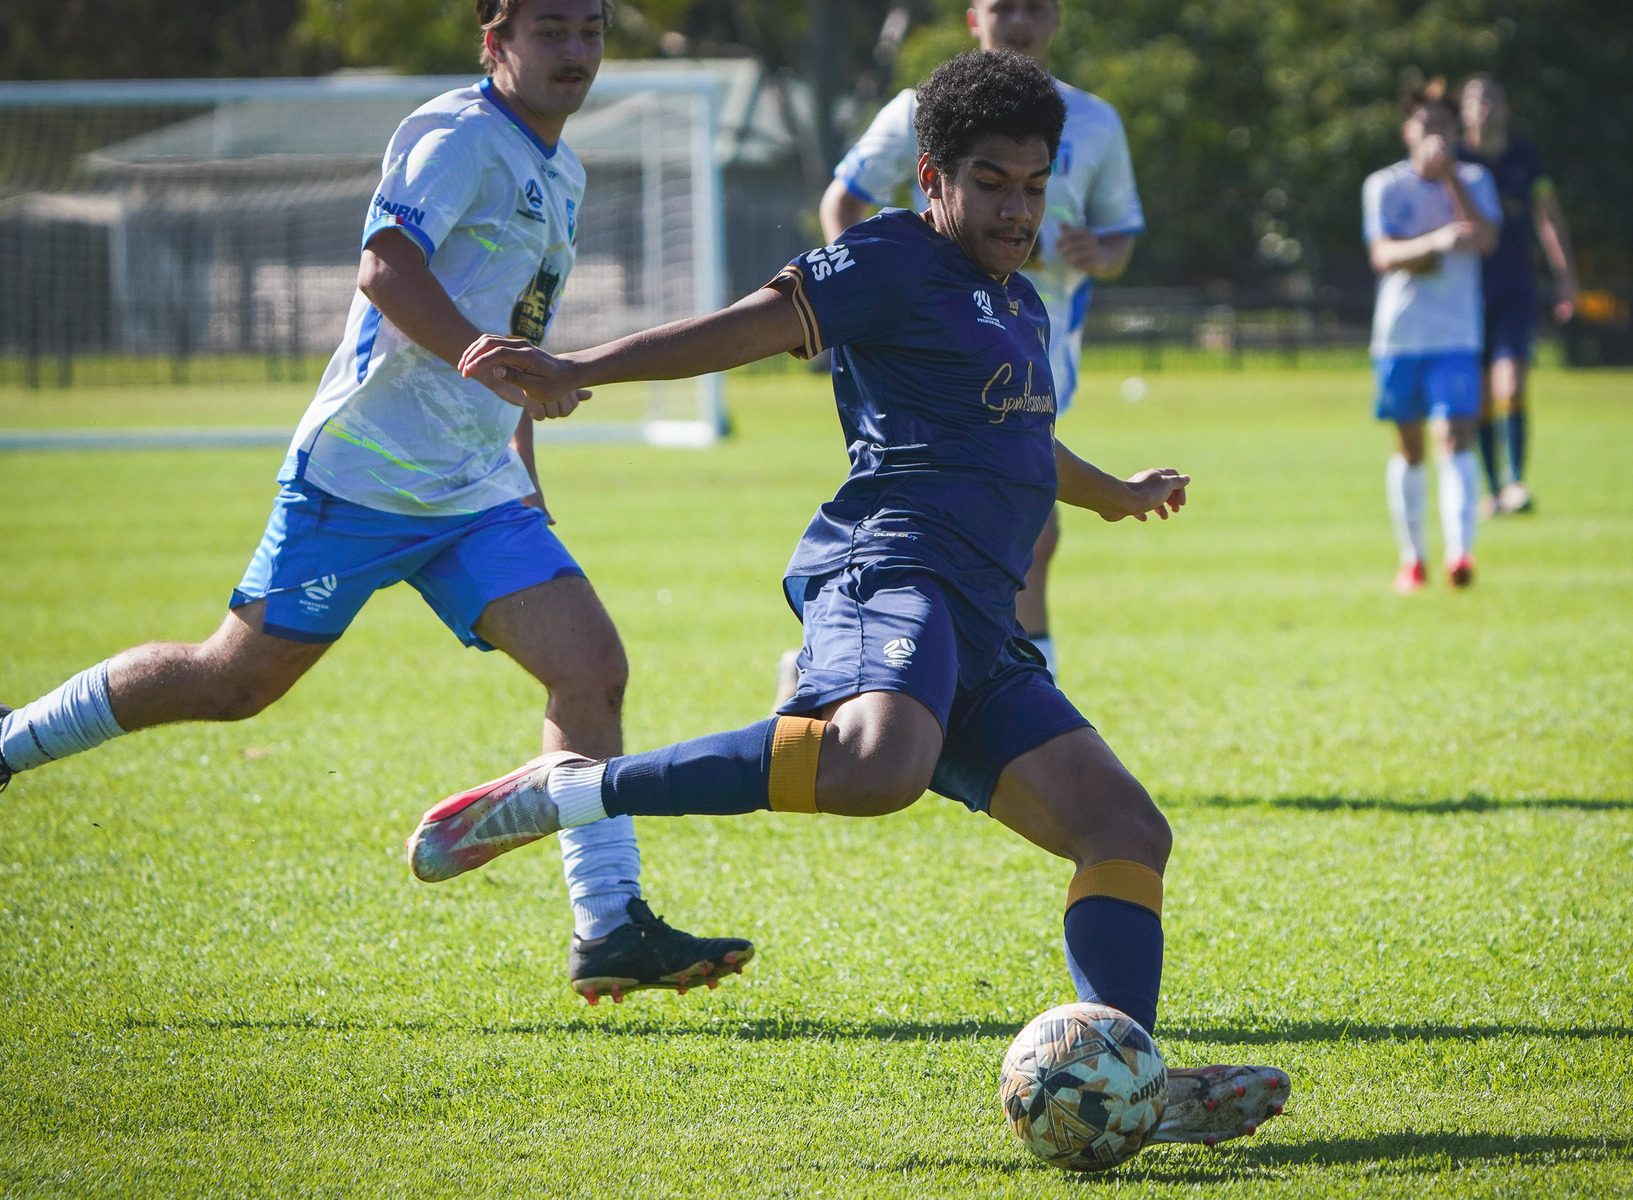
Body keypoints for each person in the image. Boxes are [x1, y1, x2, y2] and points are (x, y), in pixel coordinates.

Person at [408, 50, 1290, 1146]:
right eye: (990, 181)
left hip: (981, 619)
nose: (1016, 207)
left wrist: (1109, 494)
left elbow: (1012, 433)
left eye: (1033, 182)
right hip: (891, 568)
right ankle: (575, 792)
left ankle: (1125, 1081)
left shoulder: (1012, 300)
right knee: (877, 768)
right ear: (932, 176)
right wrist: (580, 361)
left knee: (1123, 829)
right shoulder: (886, 257)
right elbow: (743, 325)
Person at [0, 0, 751, 1005]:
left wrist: (521, 461)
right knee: (232, 684)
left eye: (588, 31)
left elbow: (515, 334)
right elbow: (384, 266)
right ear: (497, 44)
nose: (575, 52)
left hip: (475, 491)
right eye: (550, 31)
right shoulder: (454, 136)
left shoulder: (558, 170)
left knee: (591, 671)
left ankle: (608, 926)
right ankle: (8, 743)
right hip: (360, 475)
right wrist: (479, 357)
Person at [802, 0, 1143, 684]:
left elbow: (1121, 241)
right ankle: (1020, 688)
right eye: (1002, 6)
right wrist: (861, 302)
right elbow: (844, 199)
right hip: (937, 352)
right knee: (1022, 525)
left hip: (1038, 354)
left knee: (1007, 529)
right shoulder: (918, 108)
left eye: (1035, 7)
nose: (1018, 22)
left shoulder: (1096, 121)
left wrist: (1092, 251)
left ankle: (873, 665)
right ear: (970, 17)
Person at [1363, 80, 1500, 592]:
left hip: (1456, 335)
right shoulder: (1384, 185)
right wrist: (1435, 243)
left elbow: (1485, 238)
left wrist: (1451, 184)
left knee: (1455, 436)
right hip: (1399, 337)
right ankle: (1413, 556)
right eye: (1427, 126)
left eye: (1444, 127)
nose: (1435, 136)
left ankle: (1461, 553)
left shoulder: (1475, 179)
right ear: (1408, 132)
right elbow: (1383, 255)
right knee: (1411, 448)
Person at [1458, 74, 1579, 518]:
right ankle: (1491, 491)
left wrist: (1566, 276)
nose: (1484, 106)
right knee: (1482, 394)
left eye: (1492, 97)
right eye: (1475, 100)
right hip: (1467, 291)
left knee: (1512, 380)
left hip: (1516, 285)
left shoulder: (1525, 158)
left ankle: (1515, 482)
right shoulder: (1456, 158)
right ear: (1464, 110)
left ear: (1506, 107)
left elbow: (1547, 216)